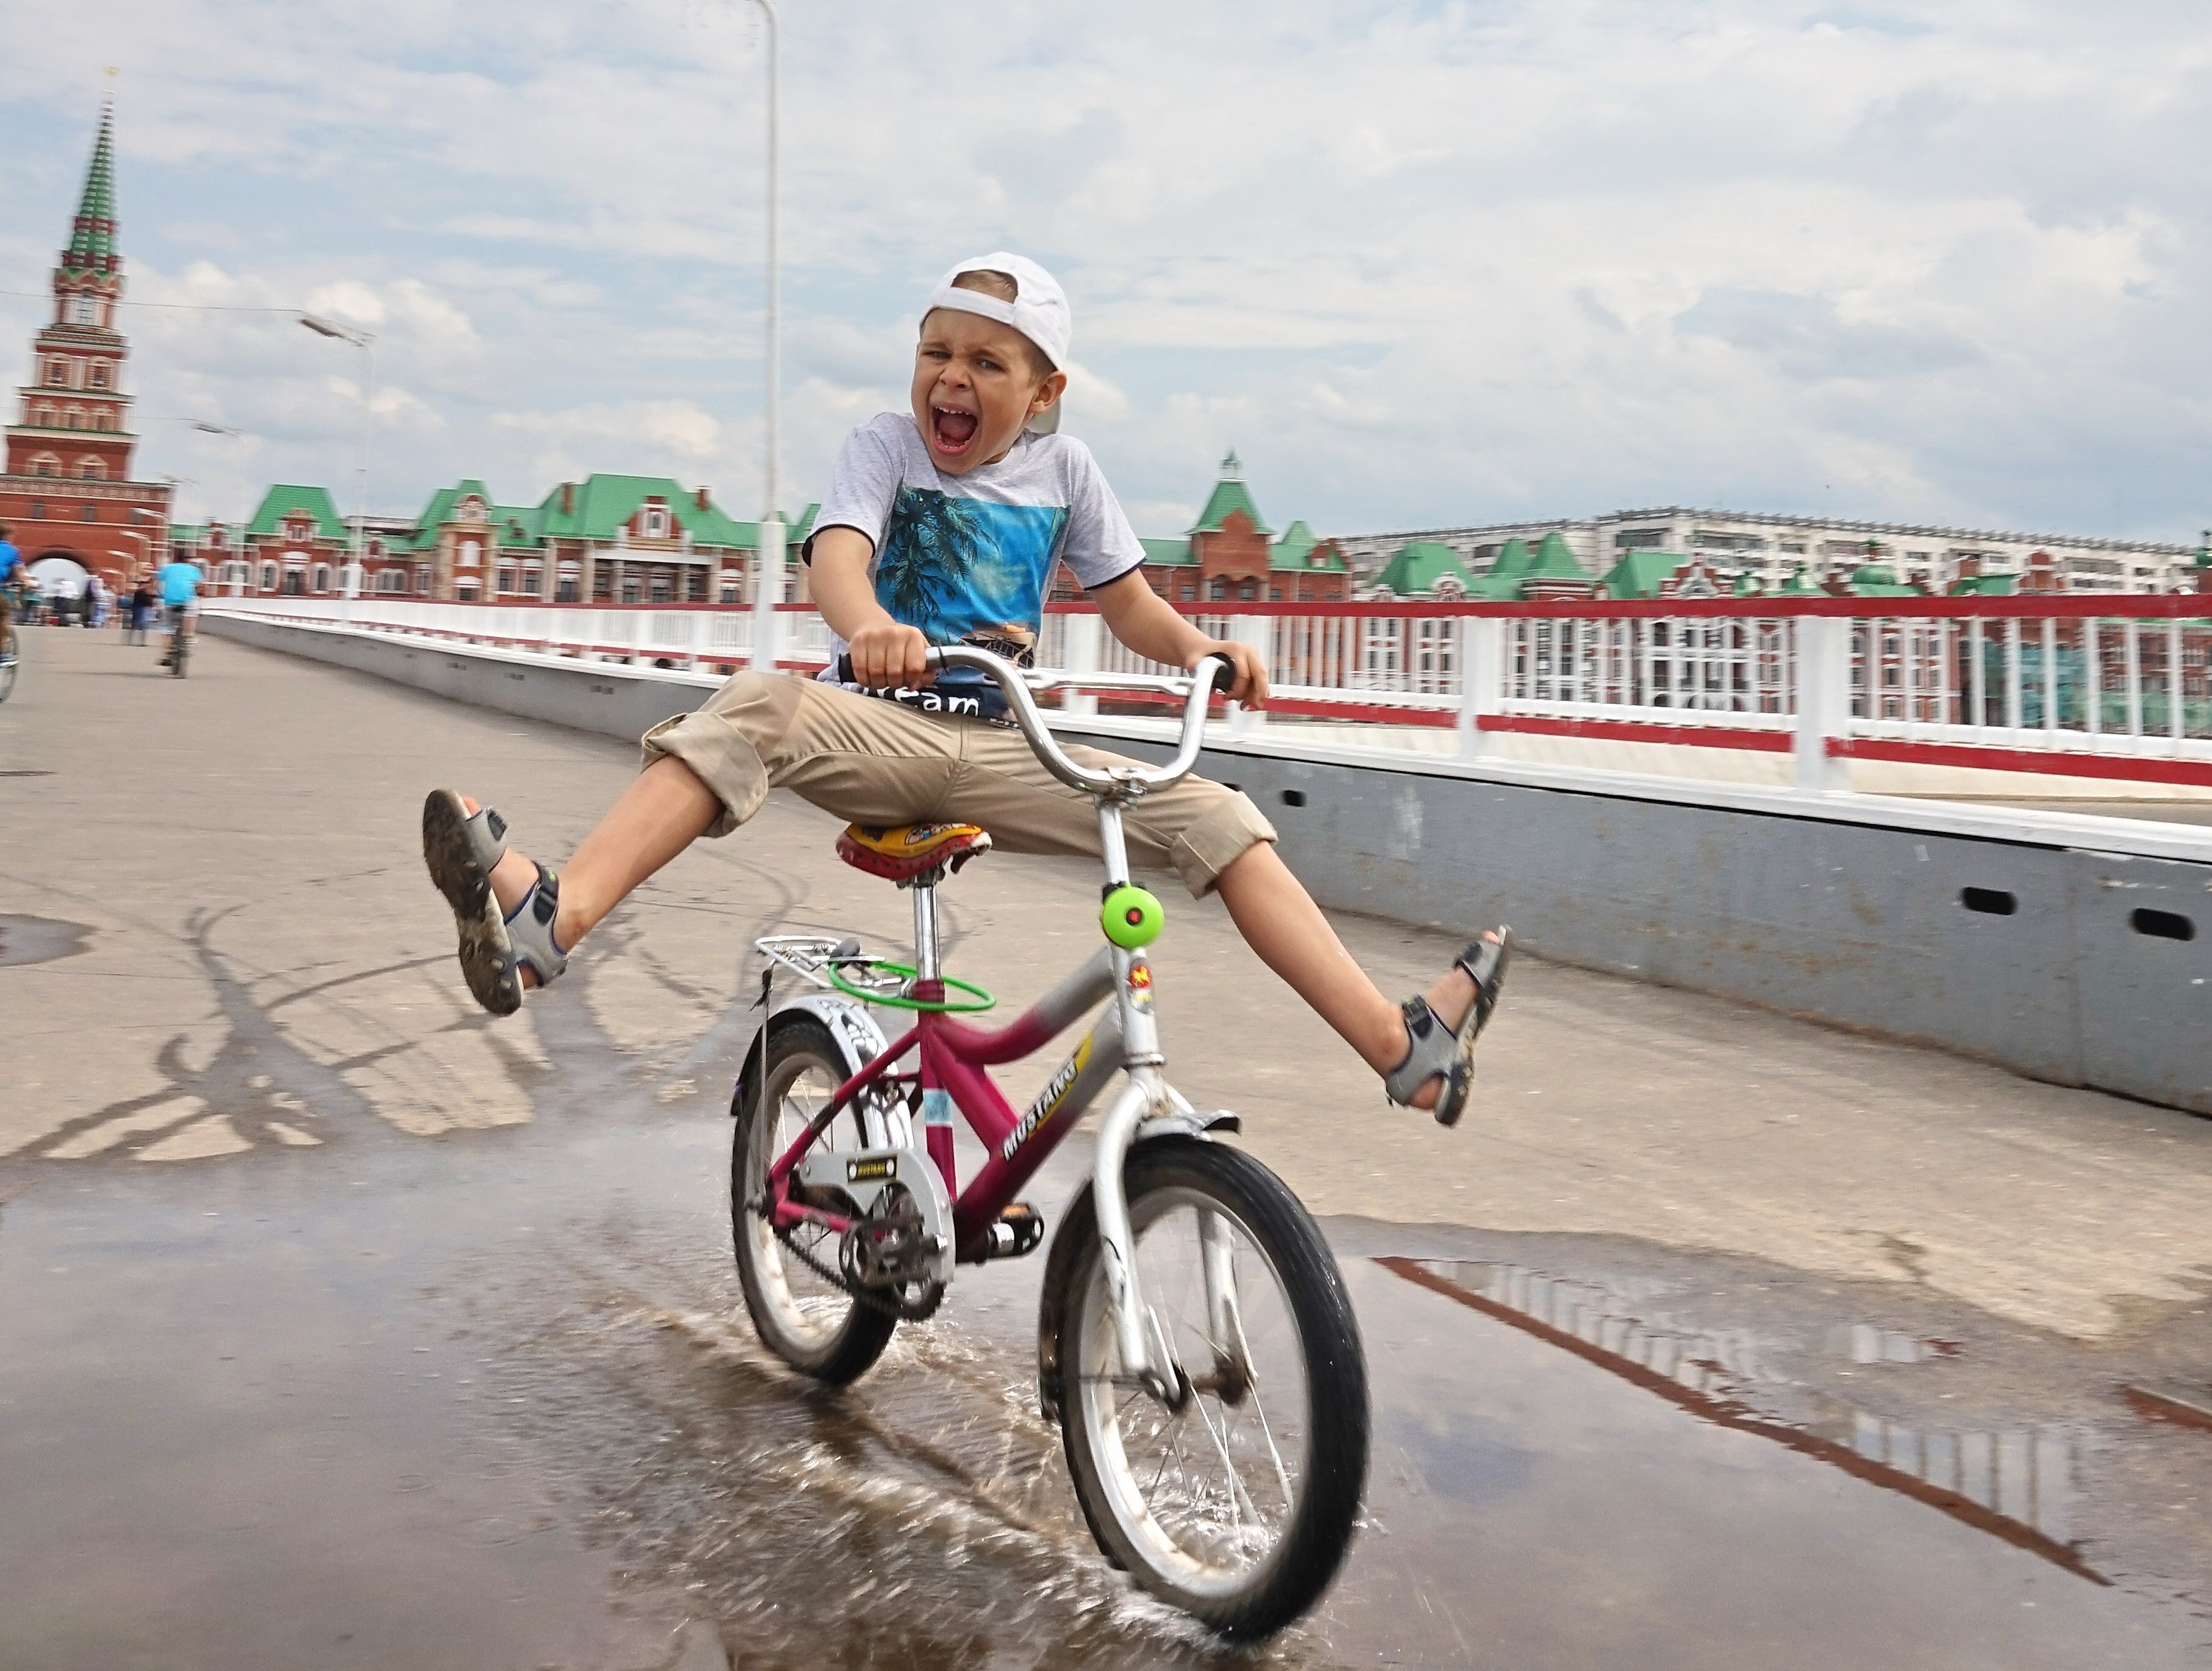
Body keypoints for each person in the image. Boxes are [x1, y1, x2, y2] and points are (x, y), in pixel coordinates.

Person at [423, 254, 1509, 1125]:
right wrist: (870, 628)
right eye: (935, 352)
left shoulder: (1067, 473)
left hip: (1006, 742)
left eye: (987, 363)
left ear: (1044, 392)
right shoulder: (885, 448)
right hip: (875, 729)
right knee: (758, 703)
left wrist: (1198, 650)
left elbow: (1129, 604)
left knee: (1217, 815)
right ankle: (550, 917)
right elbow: (837, 560)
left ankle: (1401, 1048)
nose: (952, 378)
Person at [156, 545, 202, 665]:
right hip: (188, 600)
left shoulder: (166, 568)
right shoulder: (194, 570)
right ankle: (188, 637)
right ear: (188, 560)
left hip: (169, 601)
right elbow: (200, 587)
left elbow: (158, 583)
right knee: (192, 613)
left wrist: (160, 596)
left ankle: (167, 653)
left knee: (167, 628)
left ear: (175, 558)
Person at [0, 525, 19, 657]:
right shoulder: (11, 550)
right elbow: (20, 572)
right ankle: (2, 650)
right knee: (3, 616)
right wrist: (29, 582)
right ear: (8, 536)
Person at [129, 572, 155, 645]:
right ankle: (131, 640)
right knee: (136, 623)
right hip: (138, 606)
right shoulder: (140, 588)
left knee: (143, 623)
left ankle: (142, 641)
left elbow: (153, 595)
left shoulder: (149, 588)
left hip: (146, 606)